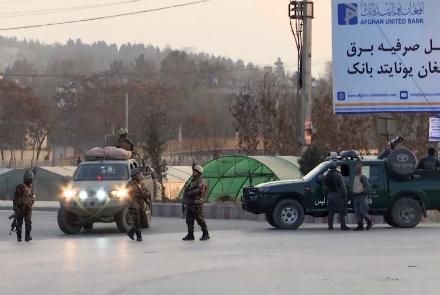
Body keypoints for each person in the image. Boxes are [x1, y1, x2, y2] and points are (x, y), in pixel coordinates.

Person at [182, 165, 210, 241]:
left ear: (198, 172)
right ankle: (190, 235)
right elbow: (187, 189)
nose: (193, 172)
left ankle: (206, 234)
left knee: (200, 219)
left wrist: (189, 193)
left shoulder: (201, 181)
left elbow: (199, 190)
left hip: (197, 203)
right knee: (189, 220)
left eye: (194, 171)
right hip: (190, 203)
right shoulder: (192, 181)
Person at [126, 168, 151, 242]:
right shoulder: (130, 184)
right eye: (138, 174)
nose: (140, 175)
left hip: (141, 204)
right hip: (133, 204)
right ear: (134, 176)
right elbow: (127, 194)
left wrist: (146, 195)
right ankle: (139, 236)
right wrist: (136, 195)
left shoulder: (141, 184)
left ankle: (130, 232)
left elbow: (147, 192)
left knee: (141, 220)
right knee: (136, 220)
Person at [325, 162, 350, 231]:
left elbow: (326, 186)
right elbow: (342, 186)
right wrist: (345, 194)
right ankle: (343, 226)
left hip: (330, 195)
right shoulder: (338, 175)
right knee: (342, 211)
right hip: (338, 195)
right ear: (336, 167)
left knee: (331, 212)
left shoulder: (327, 175)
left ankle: (330, 226)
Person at [13, 170, 36, 242]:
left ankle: (27, 236)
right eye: (30, 179)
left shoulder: (30, 187)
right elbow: (15, 197)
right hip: (21, 208)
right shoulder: (21, 187)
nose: (31, 181)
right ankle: (19, 237)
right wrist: (15, 207)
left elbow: (32, 196)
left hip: (28, 208)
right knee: (19, 224)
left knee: (28, 223)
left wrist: (32, 201)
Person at [353, 163, 373, 231]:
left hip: (361, 196)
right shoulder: (356, 176)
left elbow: (367, 187)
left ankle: (370, 221)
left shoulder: (362, 177)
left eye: (357, 169)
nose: (355, 170)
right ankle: (360, 225)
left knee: (362, 211)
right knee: (357, 212)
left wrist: (364, 195)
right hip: (356, 196)